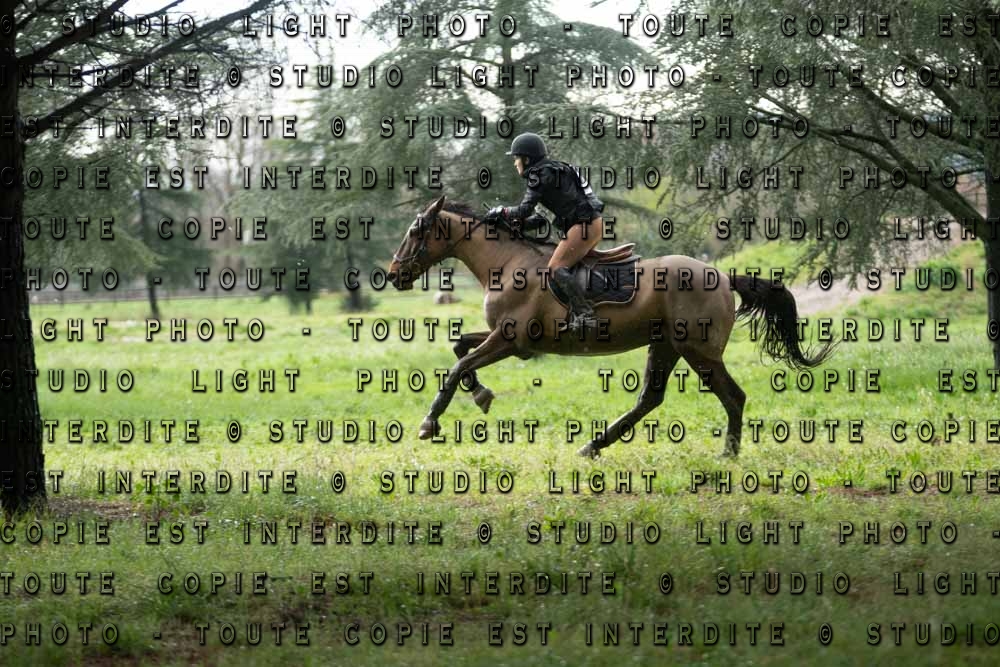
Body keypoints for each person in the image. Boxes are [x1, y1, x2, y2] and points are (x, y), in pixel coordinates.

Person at [484, 132, 605, 330]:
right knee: (566, 267)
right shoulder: (550, 170)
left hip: (585, 225)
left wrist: (501, 211)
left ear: (527, 159)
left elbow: (523, 210)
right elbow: (539, 220)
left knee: (555, 268)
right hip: (589, 223)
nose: (515, 163)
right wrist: (511, 224)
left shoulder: (539, 174)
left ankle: (585, 315)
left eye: (516, 158)